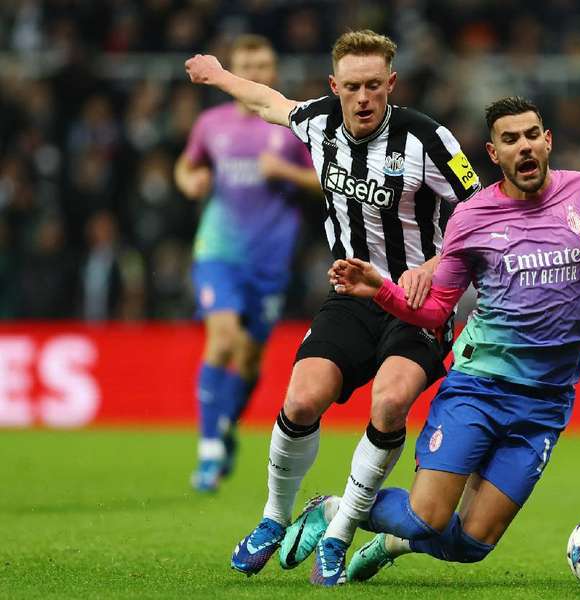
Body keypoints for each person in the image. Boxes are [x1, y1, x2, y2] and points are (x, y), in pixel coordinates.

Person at [183, 29, 481, 584]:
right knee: (301, 398)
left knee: (390, 404)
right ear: (334, 87)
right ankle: (273, 518)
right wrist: (219, 74)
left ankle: (339, 530)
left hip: (417, 304)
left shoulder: (430, 140)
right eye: (352, 87)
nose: (364, 98)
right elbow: (269, 101)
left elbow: (481, 214)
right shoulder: (317, 121)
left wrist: (433, 266)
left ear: (391, 83)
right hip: (350, 297)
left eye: (374, 86)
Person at [325, 96, 580, 583]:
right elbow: (437, 309)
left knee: (471, 545)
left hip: (546, 401)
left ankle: (391, 542)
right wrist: (383, 291)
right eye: (510, 139)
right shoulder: (472, 218)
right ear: (493, 153)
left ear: (548, 141)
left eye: (530, 136)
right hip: (479, 387)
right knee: (428, 518)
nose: (523, 147)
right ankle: (336, 511)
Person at [175, 34, 320, 493]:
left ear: (274, 72)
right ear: (231, 71)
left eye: (263, 65)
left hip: (270, 262)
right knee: (221, 340)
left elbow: (329, 181)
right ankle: (208, 450)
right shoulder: (211, 124)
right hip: (218, 252)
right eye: (246, 65)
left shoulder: (291, 125)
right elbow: (187, 165)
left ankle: (224, 426)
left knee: (250, 360)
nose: (255, 73)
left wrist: (290, 174)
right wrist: (191, 181)